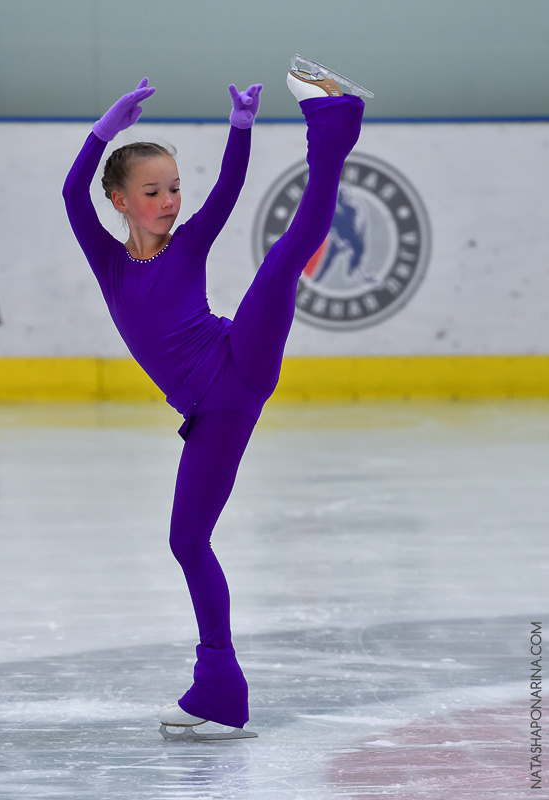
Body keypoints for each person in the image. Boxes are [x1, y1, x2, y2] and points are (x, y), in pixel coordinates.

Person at [63, 58, 366, 740]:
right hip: (210, 410)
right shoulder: (109, 262)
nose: (169, 201)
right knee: (186, 539)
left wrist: (242, 126)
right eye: (152, 191)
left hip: (237, 360)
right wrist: (101, 132)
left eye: (173, 188)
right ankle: (219, 690)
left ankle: (331, 124)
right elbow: (67, 195)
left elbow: (229, 189)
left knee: (284, 259)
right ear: (119, 200)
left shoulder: (189, 243)